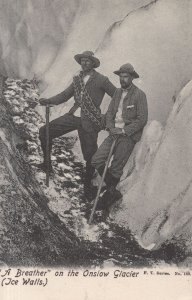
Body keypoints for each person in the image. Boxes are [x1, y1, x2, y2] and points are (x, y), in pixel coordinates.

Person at [38, 51, 116, 199]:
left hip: (91, 121)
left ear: (93, 63)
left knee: (91, 156)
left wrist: (107, 116)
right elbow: (64, 95)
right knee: (44, 131)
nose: (85, 63)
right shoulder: (77, 79)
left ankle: (88, 188)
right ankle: (47, 165)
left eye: (88, 61)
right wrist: (49, 101)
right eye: (83, 61)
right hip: (73, 117)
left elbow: (116, 96)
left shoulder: (102, 80)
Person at [91, 63, 148, 208]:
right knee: (97, 160)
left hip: (128, 136)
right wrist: (111, 127)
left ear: (132, 78)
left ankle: (108, 195)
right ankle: (112, 189)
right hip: (113, 133)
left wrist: (123, 131)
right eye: (121, 77)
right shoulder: (117, 92)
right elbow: (110, 113)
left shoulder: (139, 95)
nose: (122, 80)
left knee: (116, 167)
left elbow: (142, 120)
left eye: (126, 77)